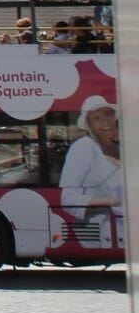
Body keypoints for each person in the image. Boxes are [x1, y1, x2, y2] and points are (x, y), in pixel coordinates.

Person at [59, 97, 122, 249]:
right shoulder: (84, 147)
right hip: (102, 238)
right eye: (97, 118)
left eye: (109, 115)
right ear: (89, 125)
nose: (106, 122)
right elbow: (67, 199)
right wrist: (110, 202)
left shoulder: (121, 148)